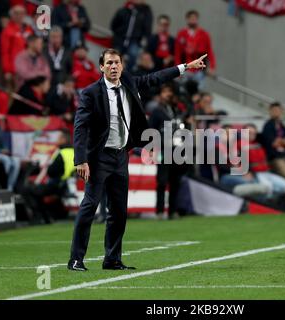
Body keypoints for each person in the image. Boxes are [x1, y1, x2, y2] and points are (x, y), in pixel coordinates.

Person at [68, 48, 208, 271]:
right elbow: (80, 127)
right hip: (98, 157)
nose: (114, 67)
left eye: (117, 63)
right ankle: (76, 259)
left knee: (119, 211)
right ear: (101, 67)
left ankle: (112, 259)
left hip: (120, 156)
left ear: (122, 66)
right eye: (109, 63)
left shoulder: (130, 83)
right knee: (89, 206)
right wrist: (81, 159)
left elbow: (156, 77)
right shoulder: (90, 93)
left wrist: (186, 67)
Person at [149, 83, 189, 220]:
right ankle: (159, 211)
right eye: (165, 92)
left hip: (178, 150)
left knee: (176, 181)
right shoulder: (157, 111)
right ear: (160, 94)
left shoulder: (177, 111)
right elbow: (151, 131)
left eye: (170, 92)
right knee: (162, 181)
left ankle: (172, 211)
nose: (168, 95)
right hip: (163, 150)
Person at [22, 129, 75, 224]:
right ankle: (46, 218)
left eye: (58, 138)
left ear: (64, 139)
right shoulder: (74, 152)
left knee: (27, 190)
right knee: (37, 191)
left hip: (57, 185)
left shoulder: (61, 153)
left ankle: (38, 217)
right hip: (67, 185)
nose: (56, 140)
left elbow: (51, 171)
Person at [245, 123, 285, 200]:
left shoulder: (259, 144)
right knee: (268, 188)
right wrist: (247, 172)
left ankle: (269, 201)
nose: (252, 135)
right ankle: (265, 204)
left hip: (266, 172)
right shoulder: (240, 144)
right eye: (249, 132)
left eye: (254, 133)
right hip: (256, 174)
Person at [175, 10, 216, 89]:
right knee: (183, 91)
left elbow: (210, 52)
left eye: (195, 18)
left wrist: (212, 67)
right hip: (186, 68)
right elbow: (177, 53)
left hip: (199, 70)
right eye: (191, 18)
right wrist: (178, 70)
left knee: (198, 91)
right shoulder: (182, 34)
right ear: (187, 19)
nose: (193, 21)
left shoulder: (204, 34)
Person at [110, 0, 153, 71]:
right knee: (113, 58)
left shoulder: (146, 12)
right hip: (120, 40)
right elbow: (114, 25)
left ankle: (126, 75)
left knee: (133, 56)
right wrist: (119, 34)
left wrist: (143, 43)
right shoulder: (125, 9)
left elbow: (147, 29)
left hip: (134, 41)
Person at [0, 5, 34, 90]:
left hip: (29, 68)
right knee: (14, 94)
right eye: (16, 13)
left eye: (22, 13)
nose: (19, 15)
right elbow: (4, 52)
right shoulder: (7, 31)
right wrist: (7, 70)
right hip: (15, 70)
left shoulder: (29, 29)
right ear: (12, 15)